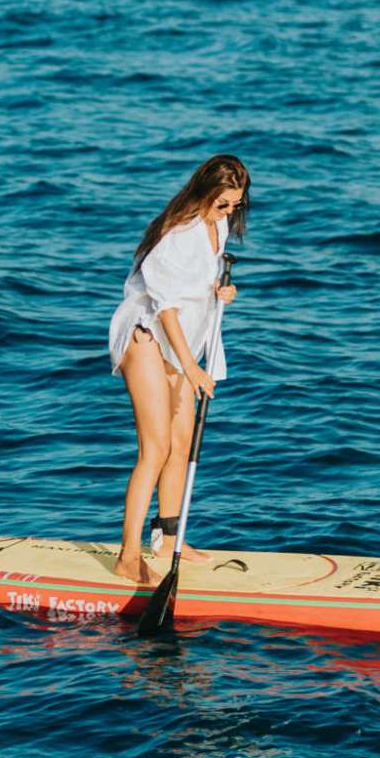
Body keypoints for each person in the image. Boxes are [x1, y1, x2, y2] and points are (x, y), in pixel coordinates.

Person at [107, 155, 249, 584]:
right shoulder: (177, 234)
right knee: (155, 448)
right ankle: (128, 556)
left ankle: (169, 539)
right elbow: (166, 309)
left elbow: (195, 287)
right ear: (204, 193)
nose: (230, 212)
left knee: (181, 441)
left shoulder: (216, 226)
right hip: (147, 336)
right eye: (223, 204)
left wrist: (219, 291)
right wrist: (192, 367)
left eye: (236, 205)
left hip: (179, 343)